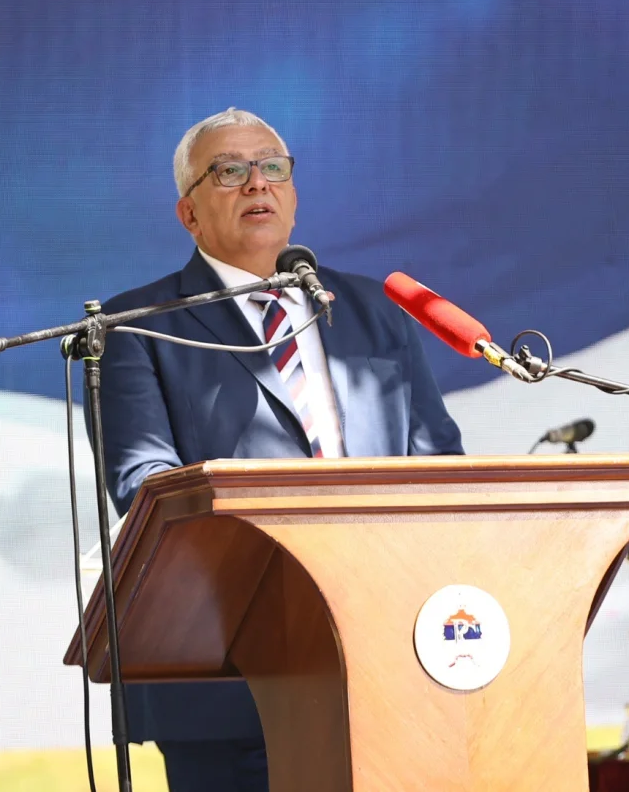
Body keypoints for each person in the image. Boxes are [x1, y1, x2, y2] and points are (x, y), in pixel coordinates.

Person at [97, 107, 464, 792]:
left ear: (292, 193)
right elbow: (144, 484)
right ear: (188, 213)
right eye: (228, 171)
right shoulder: (140, 327)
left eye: (272, 167)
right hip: (230, 672)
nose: (256, 183)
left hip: (390, 660)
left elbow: (438, 462)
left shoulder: (372, 310)